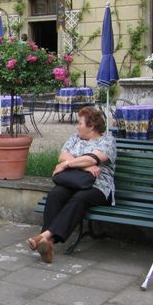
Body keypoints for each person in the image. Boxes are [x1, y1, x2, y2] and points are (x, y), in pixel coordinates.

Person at [27, 106, 116, 263]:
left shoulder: (107, 141)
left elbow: (92, 159)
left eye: (80, 123)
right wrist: (85, 167)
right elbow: (63, 156)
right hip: (74, 182)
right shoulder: (75, 138)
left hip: (99, 188)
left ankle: (45, 236)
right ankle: (47, 243)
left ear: (91, 126)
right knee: (55, 194)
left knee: (80, 198)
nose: (77, 126)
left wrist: (68, 164)